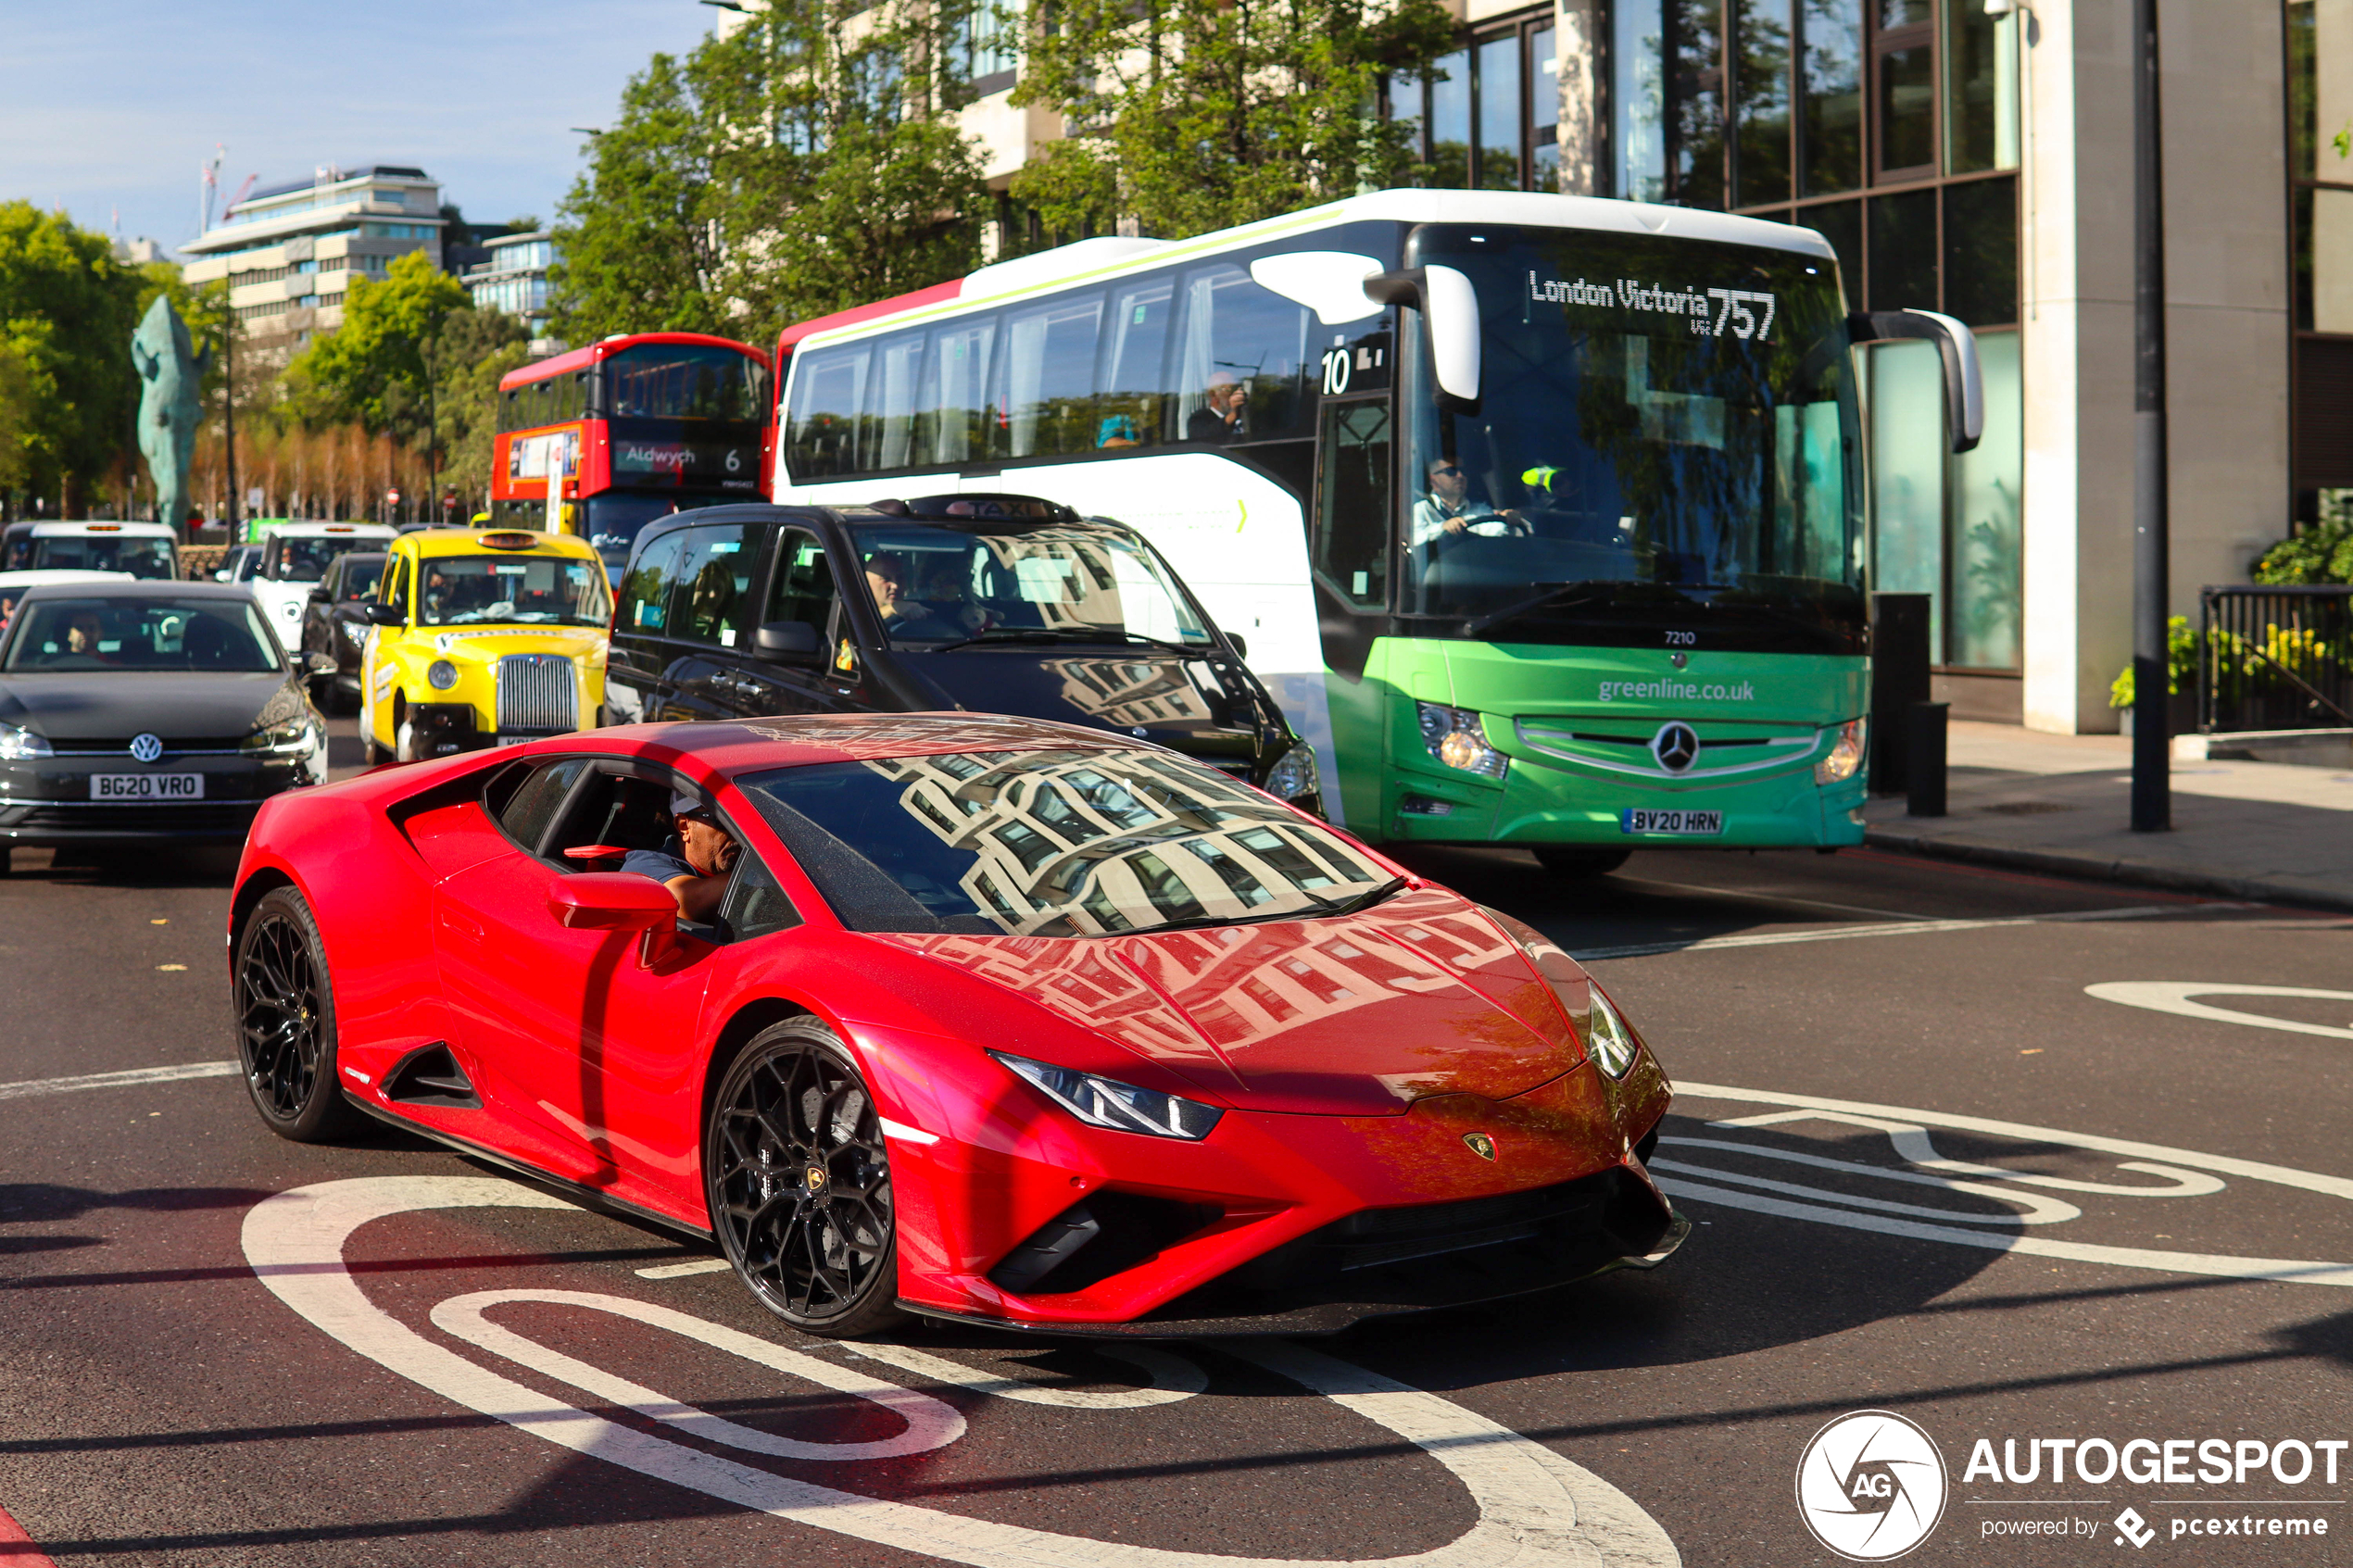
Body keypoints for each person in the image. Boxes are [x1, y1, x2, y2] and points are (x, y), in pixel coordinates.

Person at [623, 792, 739, 922]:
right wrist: (756, 874)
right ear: (684, 827)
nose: (738, 832)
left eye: (742, 821)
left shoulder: (744, 859)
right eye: (723, 821)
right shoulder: (644, 866)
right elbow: (686, 903)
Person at [1409, 458, 1524, 549]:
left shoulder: (1479, 510)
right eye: (1451, 471)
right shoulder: (1421, 509)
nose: (1460, 476)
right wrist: (1443, 527)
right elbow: (1415, 541)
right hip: (1439, 574)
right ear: (1433, 480)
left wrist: (1509, 520)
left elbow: (1496, 532)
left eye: (1463, 471)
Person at [863, 552, 954, 640]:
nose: (896, 585)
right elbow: (857, 626)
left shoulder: (921, 612)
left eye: (900, 578)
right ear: (867, 583)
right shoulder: (852, 612)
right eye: (886, 579)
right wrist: (892, 608)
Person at [1186, 371, 1248, 444]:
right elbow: (1202, 440)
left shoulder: (1247, 414)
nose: (1236, 395)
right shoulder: (1199, 417)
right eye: (1229, 391)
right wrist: (1232, 415)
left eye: (1237, 390)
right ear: (1214, 395)